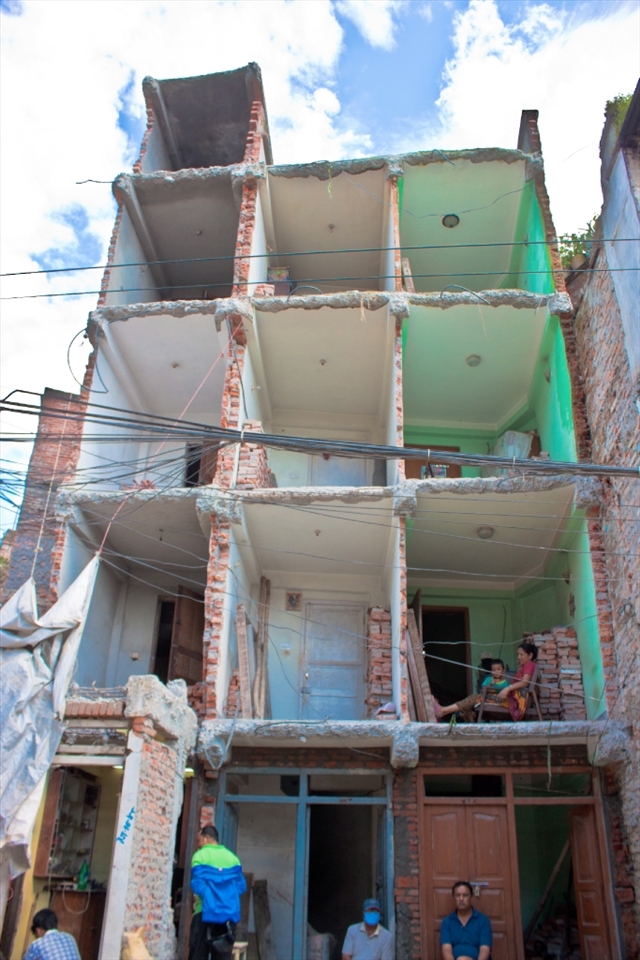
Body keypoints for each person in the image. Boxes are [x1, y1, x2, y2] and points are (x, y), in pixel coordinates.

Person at [189, 825, 246, 960]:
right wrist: (224, 898)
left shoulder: (200, 856)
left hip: (203, 914)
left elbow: (197, 885)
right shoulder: (233, 858)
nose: (199, 844)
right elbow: (241, 887)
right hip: (227, 917)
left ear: (207, 838)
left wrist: (210, 898)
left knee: (198, 955)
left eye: (199, 840)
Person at [435, 660, 510, 722]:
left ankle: (445, 710)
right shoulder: (489, 679)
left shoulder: (505, 683)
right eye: (494, 670)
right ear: (491, 671)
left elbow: (505, 695)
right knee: (468, 705)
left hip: (497, 701)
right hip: (486, 698)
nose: (496, 672)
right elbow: (483, 689)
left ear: (503, 671)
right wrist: (490, 684)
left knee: (472, 699)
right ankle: (472, 724)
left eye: (498, 669)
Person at [440, 881, 492, 960]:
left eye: (465, 895)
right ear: (454, 897)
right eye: (458, 895)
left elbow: (485, 949)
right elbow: (446, 950)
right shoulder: (447, 922)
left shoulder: (483, 920)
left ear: (471, 897)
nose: (461, 899)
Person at [496, 642, 538, 721]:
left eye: (521, 655)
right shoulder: (525, 666)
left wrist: (507, 689)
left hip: (517, 699)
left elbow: (525, 682)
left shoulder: (529, 664)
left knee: (476, 699)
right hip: (515, 696)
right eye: (518, 654)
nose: (518, 657)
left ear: (530, 656)